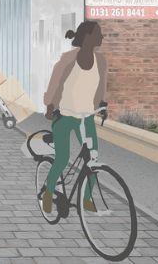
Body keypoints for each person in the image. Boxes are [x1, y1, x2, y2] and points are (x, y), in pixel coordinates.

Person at [42, 21, 109, 215]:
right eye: (98, 34)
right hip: (64, 115)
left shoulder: (101, 61)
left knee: (93, 158)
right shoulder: (69, 59)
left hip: (86, 117)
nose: (101, 37)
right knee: (62, 159)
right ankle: (48, 192)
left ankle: (86, 198)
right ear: (88, 37)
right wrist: (50, 105)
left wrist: (102, 105)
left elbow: (101, 87)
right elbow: (55, 82)